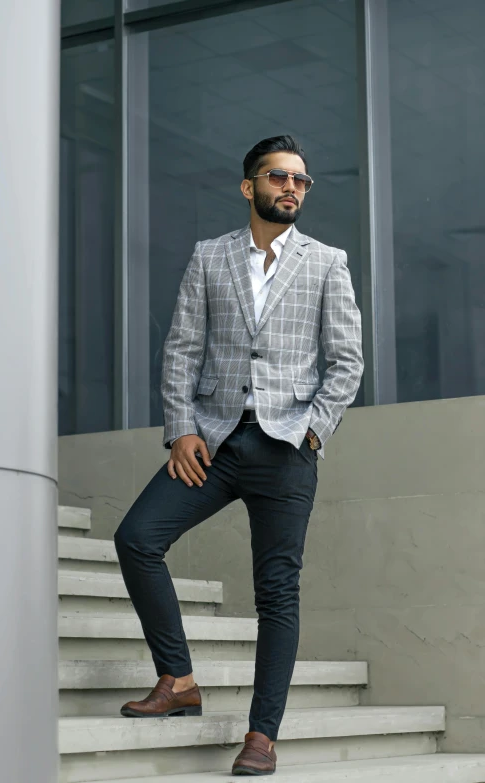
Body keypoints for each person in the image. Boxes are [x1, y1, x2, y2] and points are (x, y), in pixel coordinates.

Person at [114, 134, 364, 776]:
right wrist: (181, 428)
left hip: (286, 448)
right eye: (278, 177)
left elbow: (346, 362)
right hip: (216, 440)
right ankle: (178, 678)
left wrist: (314, 430)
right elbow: (181, 349)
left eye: (302, 180)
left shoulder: (326, 262)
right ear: (248, 185)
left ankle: (262, 735)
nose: (291, 188)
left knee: (276, 591)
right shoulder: (209, 256)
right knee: (138, 537)